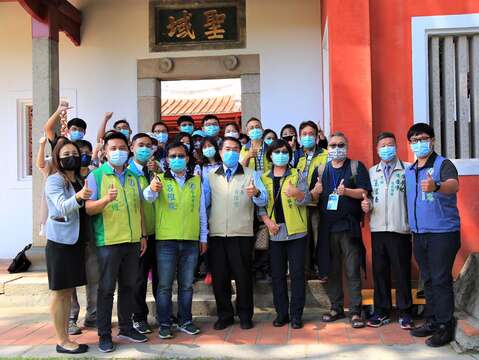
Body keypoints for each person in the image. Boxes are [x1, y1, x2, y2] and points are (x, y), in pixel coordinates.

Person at [85, 131, 148, 353]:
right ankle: (104, 334)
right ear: (104, 152)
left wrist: (142, 235)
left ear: (129, 150)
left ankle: (126, 327)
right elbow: (88, 208)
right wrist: (105, 200)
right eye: (113, 148)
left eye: (122, 148)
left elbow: (138, 207)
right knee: (106, 290)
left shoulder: (133, 176)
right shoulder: (97, 176)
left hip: (131, 241)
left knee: (129, 286)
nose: (118, 152)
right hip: (108, 242)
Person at [143, 141, 207, 339]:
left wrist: (203, 237)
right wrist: (152, 188)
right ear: (167, 160)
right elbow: (147, 198)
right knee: (164, 285)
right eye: (173, 156)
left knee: (187, 284)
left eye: (181, 156)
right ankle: (164, 323)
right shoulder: (159, 179)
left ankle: (185, 320)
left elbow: (201, 211)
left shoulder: (196, 181)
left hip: (190, 240)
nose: (177, 159)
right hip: (166, 241)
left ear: (187, 159)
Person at [203, 137, 268, 330]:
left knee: (243, 277)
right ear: (220, 153)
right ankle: (225, 315)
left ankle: (245, 315)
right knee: (220, 278)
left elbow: (263, 199)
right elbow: (204, 205)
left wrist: (256, 193)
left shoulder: (251, 174)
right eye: (227, 149)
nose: (231, 152)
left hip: (242, 234)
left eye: (235, 149)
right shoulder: (211, 176)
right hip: (217, 235)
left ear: (240, 152)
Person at [405, 123, 460, 347]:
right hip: (419, 233)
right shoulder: (410, 170)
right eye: (414, 140)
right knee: (427, 280)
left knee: (440, 280)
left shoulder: (442, 164)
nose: (419, 143)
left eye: (423, 138)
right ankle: (433, 320)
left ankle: (445, 327)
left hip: (443, 233)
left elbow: (454, 185)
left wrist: (436, 186)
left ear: (433, 140)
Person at [310, 131, 371, 329]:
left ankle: (355, 310)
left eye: (341, 145)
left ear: (347, 146)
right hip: (327, 230)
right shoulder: (320, 170)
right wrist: (316, 193)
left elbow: (364, 192)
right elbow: (312, 199)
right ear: (328, 148)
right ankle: (336, 307)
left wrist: (347, 192)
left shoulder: (356, 167)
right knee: (332, 270)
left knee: (353, 269)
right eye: (333, 145)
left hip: (349, 228)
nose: (337, 149)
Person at [361, 132, 414, 329]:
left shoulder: (408, 169)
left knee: (402, 272)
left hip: (400, 229)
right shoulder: (371, 171)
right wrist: (367, 206)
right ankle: (381, 312)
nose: (386, 148)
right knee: (380, 271)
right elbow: (370, 199)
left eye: (390, 144)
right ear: (377, 150)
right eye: (382, 146)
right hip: (378, 229)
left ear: (397, 146)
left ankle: (405, 312)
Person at [44, 139, 90, 354]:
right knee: (59, 292)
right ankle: (62, 340)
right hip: (60, 243)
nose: (70, 156)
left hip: (76, 242)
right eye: (65, 154)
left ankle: (66, 337)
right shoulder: (54, 180)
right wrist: (80, 197)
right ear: (57, 158)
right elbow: (61, 208)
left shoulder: (79, 179)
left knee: (68, 290)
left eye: (74, 152)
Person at [259, 139, 311, 329]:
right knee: (278, 275)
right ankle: (282, 314)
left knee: (297, 275)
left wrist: (297, 193)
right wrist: (267, 222)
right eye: (277, 151)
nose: (281, 155)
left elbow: (308, 199)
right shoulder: (263, 177)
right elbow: (260, 205)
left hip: (296, 232)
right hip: (275, 232)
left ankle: (296, 315)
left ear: (290, 155)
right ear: (270, 155)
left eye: (284, 151)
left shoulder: (297, 174)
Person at [126, 133, 158, 335]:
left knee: (160, 278)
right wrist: (141, 234)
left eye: (149, 145)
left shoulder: (154, 171)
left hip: (160, 231)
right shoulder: (127, 173)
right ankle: (138, 316)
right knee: (138, 278)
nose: (145, 149)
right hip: (140, 234)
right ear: (132, 147)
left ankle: (163, 314)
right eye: (141, 145)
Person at [68, 139, 100, 335]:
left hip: (92, 234)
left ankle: (93, 316)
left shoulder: (96, 175)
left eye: (88, 152)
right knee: (69, 279)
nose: (85, 155)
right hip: (70, 236)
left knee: (94, 277)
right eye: (81, 152)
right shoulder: (66, 178)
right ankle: (71, 317)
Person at [296, 121, 328, 276]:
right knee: (303, 240)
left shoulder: (325, 154)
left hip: (317, 205)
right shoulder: (296, 156)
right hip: (300, 205)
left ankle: (321, 269)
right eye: (304, 134)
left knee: (318, 239)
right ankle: (306, 271)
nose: (307, 137)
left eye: (311, 134)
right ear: (299, 137)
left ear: (316, 137)